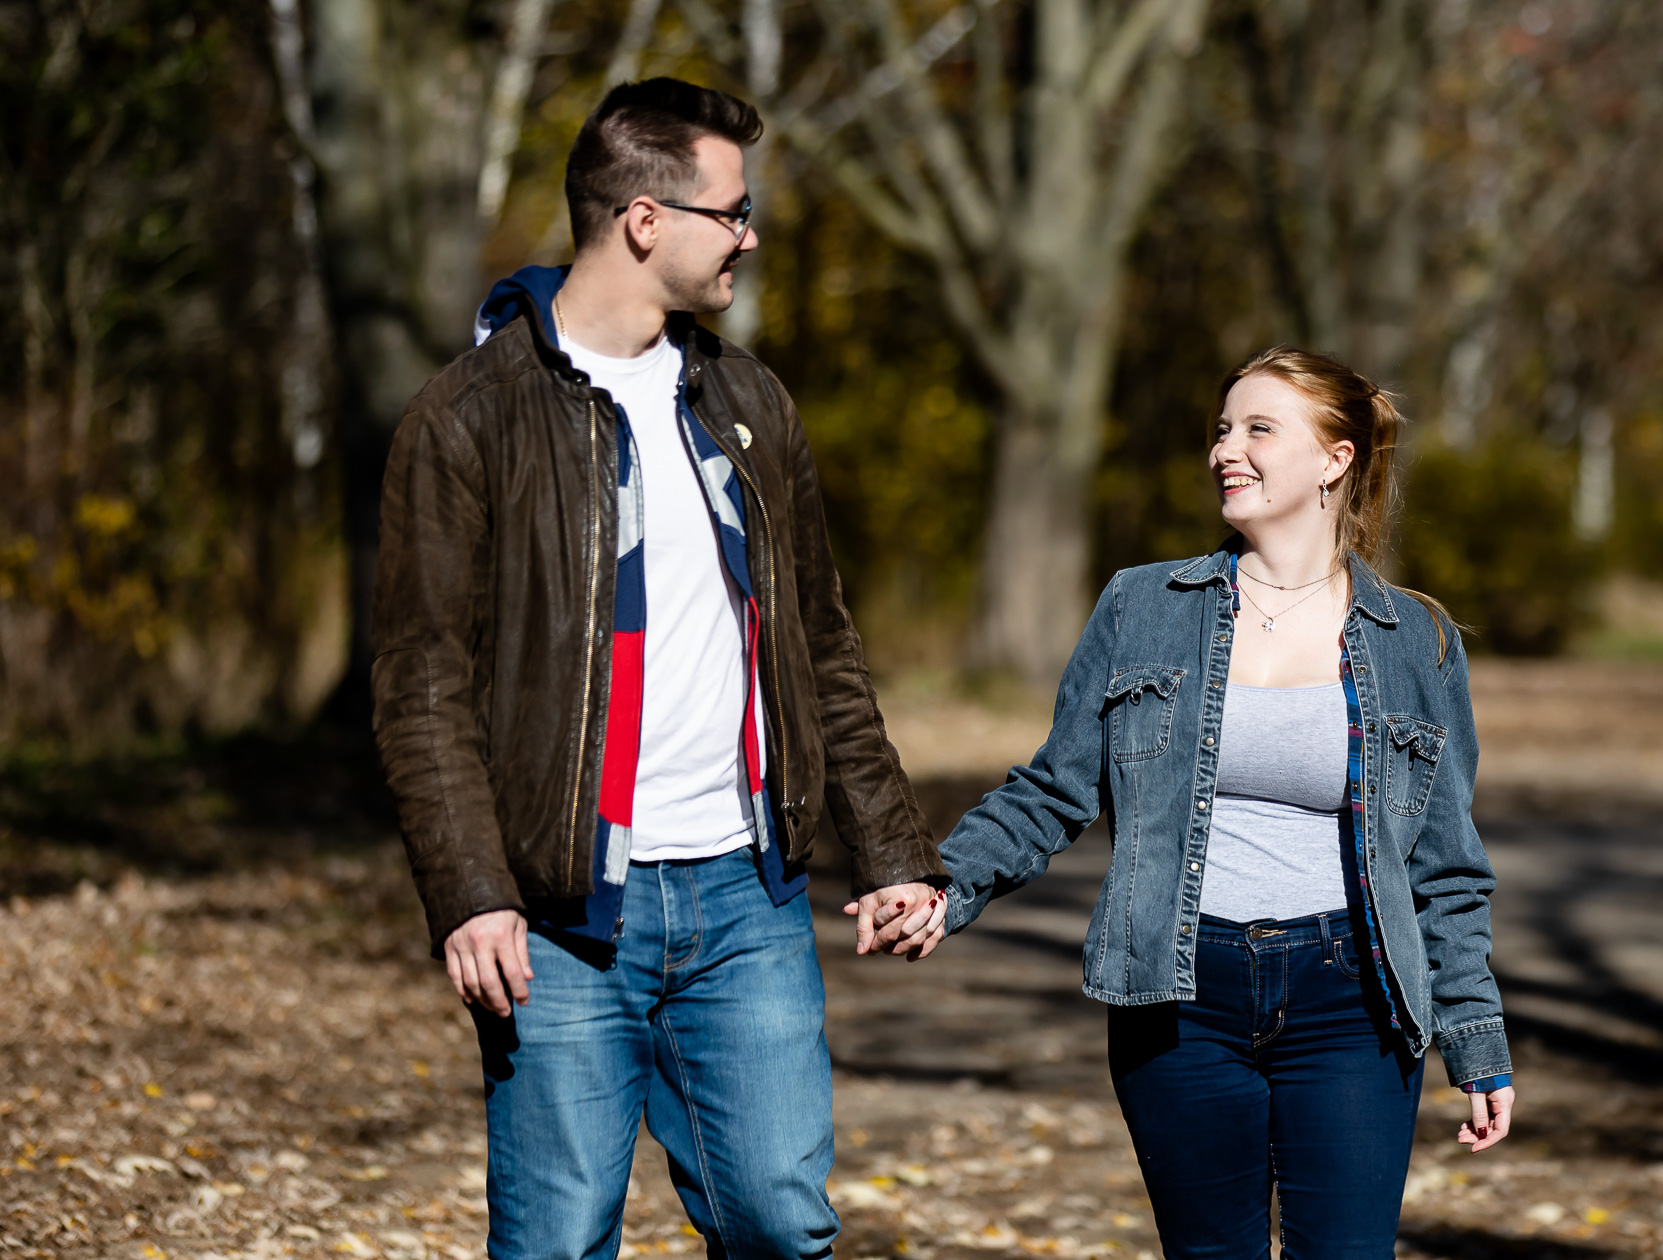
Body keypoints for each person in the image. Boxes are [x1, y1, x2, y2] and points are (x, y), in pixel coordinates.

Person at [371, 78, 948, 1260]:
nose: (748, 234)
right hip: (564, 915)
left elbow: (820, 643)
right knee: (559, 1242)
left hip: (748, 898)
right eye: (731, 212)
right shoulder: (468, 419)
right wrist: (470, 888)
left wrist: (890, 848)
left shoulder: (745, 400)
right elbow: (421, 685)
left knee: (783, 1229)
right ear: (645, 218)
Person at [893, 347, 1514, 1256]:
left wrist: (1474, 1031)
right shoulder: (1142, 606)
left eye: (1260, 428)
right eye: (1224, 429)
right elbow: (1056, 786)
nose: (1228, 449)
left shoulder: (1414, 639)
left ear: (1335, 459)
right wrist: (947, 886)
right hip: (1178, 994)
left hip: (1354, 998)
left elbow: (1445, 864)